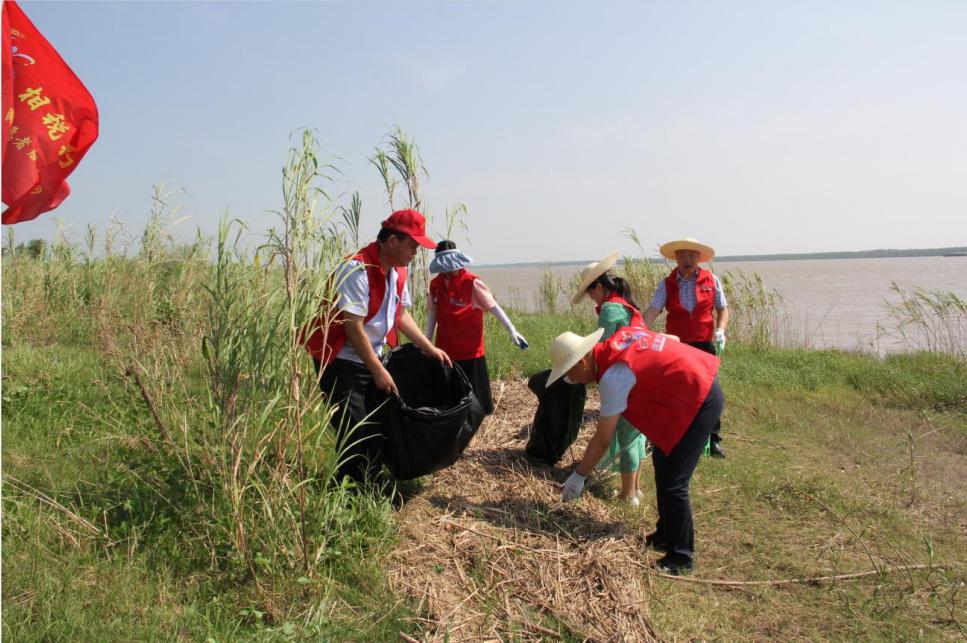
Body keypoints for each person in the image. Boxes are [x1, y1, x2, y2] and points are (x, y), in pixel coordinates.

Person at [548, 325, 723, 575]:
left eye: (569, 374)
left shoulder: (612, 377)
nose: (571, 380)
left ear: (582, 364)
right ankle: (665, 535)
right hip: (684, 394)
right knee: (663, 464)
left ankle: (681, 557)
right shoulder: (621, 338)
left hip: (699, 399)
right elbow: (671, 338)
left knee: (675, 482)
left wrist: (579, 476)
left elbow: (602, 440)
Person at [303, 209, 451, 487]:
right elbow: (353, 328)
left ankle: (367, 482)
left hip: (372, 357)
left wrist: (429, 347)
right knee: (355, 428)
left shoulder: (398, 272)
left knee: (379, 424)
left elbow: (400, 315)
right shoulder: (357, 269)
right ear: (392, 241)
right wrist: (379, 371)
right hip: (340, 359)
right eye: (413, 245)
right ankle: (348, 492)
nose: (416, 252)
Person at [571, 252, 648, 506]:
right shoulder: (625, 305)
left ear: (600, 287)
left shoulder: (610, 309)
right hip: (639, 370)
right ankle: (635, 489)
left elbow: (601, 345)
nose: (591, 298)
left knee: (625, 434)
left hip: (624, 376)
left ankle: (628, 496)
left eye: (591, 292)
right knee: (636, 433)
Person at [643, 237, 730, 458]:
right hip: (677, 345)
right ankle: (673, 434)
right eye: (682, 255)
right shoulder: (667, 283)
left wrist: (721, 330)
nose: (687, 260)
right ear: (676, 259)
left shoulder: (712, 280)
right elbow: (654, 309)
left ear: (699, 258)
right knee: (674, 389)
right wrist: (641, 330)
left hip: (703, 343)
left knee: (709, 390)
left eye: (691, 255)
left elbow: (723, 309)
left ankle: (713, 438)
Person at [425, 240, 528, 416]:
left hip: (470, 349)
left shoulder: (472, 283)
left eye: (451, 266)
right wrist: (426, 340)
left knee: (475, 392)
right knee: (449, 391)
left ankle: (478, 415)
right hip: (445, 347)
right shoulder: (436, 285)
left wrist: (512, 330)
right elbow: (433, 312)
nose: (448, 271)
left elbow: (493, 307)